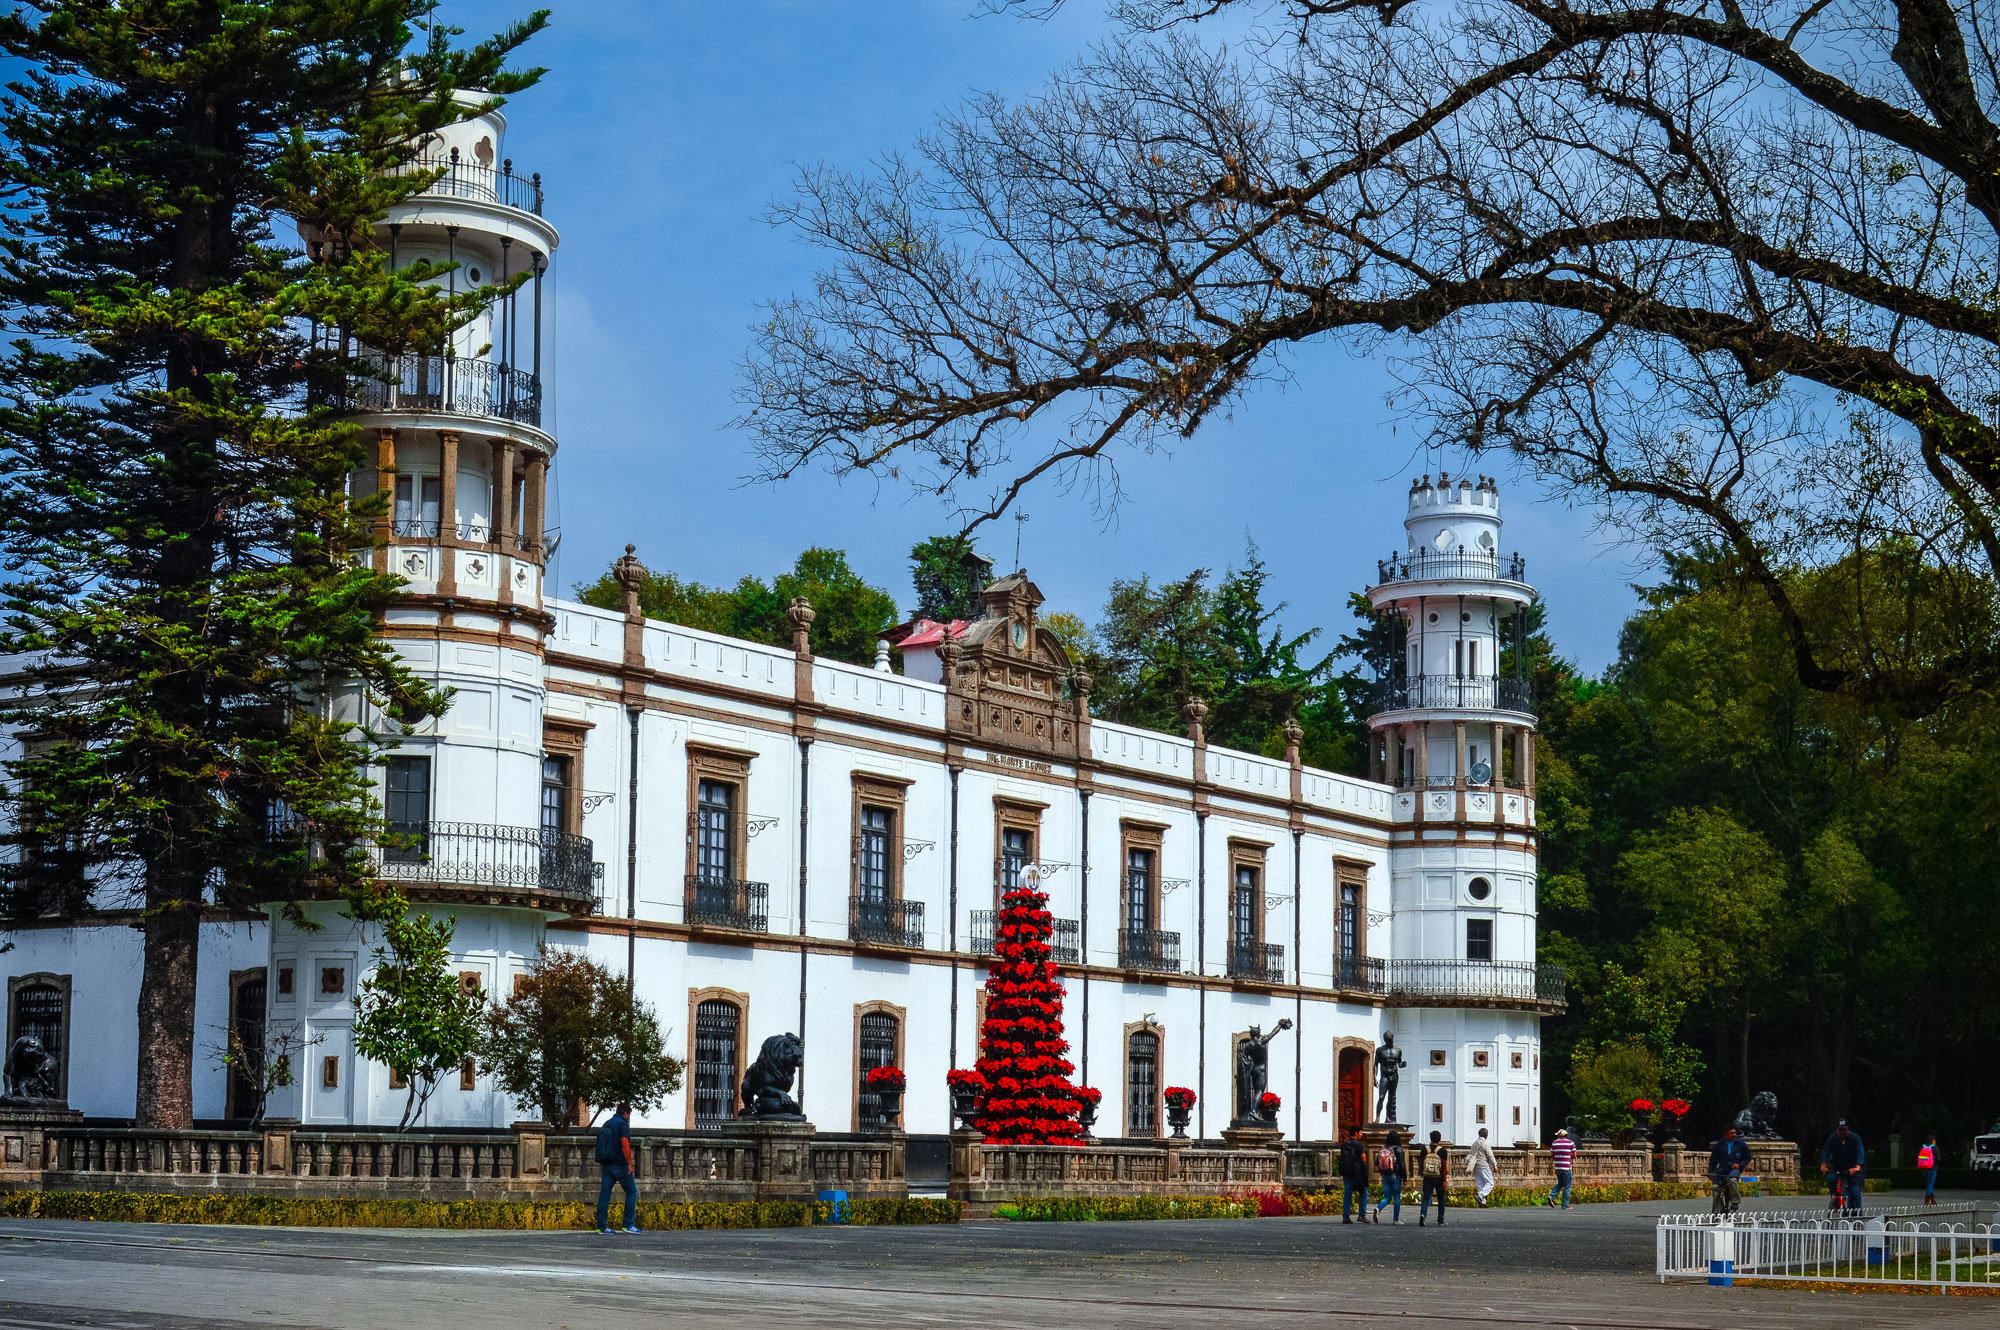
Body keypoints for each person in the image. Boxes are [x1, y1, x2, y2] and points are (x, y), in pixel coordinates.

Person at [595, 1101, 639, 1234]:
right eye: (629, 1115)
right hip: (620, 1165)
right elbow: (625, 1144)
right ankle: (628, 1224)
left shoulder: (607, 1123)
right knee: (632, 1191)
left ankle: (601, 1226)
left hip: (607, 1164)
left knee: (605, 1194)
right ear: (626, 1113)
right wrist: (630, 1164)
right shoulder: (623, 1124)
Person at [1820, 1119, 1865, 1214]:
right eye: (1840, 1130)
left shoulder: (1855, 1138)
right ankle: (1837, 1196)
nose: (1842, 1132)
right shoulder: (1832, 1138)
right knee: (1831, 1178)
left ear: (1848, 1130)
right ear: (1837, 1130)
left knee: (1855, 1191)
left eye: (1844, 1130)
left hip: (1853, 1168)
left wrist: (1857, 1166)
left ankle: (1858, 1217)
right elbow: (1826, 1151)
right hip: (1837, 1166)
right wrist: (1824, 1165)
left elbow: (1860, 1152)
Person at [1707, 1127, 1750, 1215]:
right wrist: (1710, 1171)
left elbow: (1747, 1158)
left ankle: (1735, 1203)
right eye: (1731, 1133)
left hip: (1734, 1169)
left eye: (1735, 1133)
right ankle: (1718, 1211)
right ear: (1726, 1134)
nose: (1734, 1135)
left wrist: (1740, 1165)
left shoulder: (1741, 1144)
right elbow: (1713, 1160)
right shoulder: (1719, 1145)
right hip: (1722, 1170)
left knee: (1733, 1180)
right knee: (1715, 1188)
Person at [1415, 1129, 1450, 1227]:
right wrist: (1444, 1180)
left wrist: (1422, 1173)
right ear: (1439, 1139)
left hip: (1427, 1176)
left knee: (1426, 1197)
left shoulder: (1424, 1149)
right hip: (1438, 1177)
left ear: (1430, 1138)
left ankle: (1423, 1215)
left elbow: (1421, 1162)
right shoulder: (1442, 1150)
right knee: (1441, 1199)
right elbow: (1444, 1166)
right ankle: (1440, 1220)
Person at [1338, 1129, 1373, 1223]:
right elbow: (1364, 1158)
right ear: (1356, 1133)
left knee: (1347, 1194)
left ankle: (1346, 1216)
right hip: (1357, 1173)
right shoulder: (1358, 1145)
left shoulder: (1344, 1144)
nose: (1361, 1134)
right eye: (1360, 1132)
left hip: (1347, 1172)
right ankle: (1362, 1215)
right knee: (1364, 1192)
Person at [1374, 1129, 1406, 1224]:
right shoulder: (1398, 1149)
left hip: (1385, 1175)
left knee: (1387, 1197)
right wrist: (1404, 1178)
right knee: (1396, 1197)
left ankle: (1378, 1208)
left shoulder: (1383, 1148)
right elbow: (1402, 1164)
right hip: (1395, 1175)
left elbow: (1377, 1162)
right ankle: (1395, 1220)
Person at [1467, 1127, 1499, 1207]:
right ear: (1486, 1135)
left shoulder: (1474, 1144)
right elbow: (1491, 1156)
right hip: (1484, 1166)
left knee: (1480, 1184)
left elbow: (1470, 1155)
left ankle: (1483, 1203)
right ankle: (1480, 1196)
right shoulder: (1485, 1144)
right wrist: (1495, 1166)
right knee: (1490, 1183)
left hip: (1476, 1167)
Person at [1546, 1127, 1575, 1209]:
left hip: (1558, 1167)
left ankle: (1552, 1196)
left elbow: (1552, 1155)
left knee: (1560, 1183)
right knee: (1567, 1186)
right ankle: (1565, 1205)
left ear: (1559, 1135)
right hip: (1567, 1167)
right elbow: (1575, 1154)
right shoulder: (1570, 1143)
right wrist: (1569, 1158)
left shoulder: (1554, 1143)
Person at [1917, 1133, 1939, 1206]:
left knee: (1930, 1183)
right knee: (1930, 1184)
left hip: (1924, 1168)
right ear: (1933, 1140)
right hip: (1932, 1168)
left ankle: (1933, 1200)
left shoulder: (1923, 1146)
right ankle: (1927, 1200)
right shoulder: (1935, 1147)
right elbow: (1939, 1158)